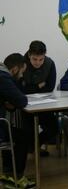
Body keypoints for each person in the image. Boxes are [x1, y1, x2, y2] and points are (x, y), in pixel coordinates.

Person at [0, 53, 35, 188]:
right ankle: (18, 177)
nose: (21, 76)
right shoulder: (3, 77)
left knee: (12, 131)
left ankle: (8, 173)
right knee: (22, 136)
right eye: (21, 73)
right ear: (14, 69)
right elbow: (21, 100)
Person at [20, 40, 58, 156]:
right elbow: (20, 89)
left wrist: (29, 87)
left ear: (45, 55)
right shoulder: (21, 63)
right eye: (34, 59)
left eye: (41, 59)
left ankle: (34, 145)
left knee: (54, 128)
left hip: (44, 104)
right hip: (24, 105)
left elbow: (50, 87)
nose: (38, 63)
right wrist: (38, 85)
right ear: (29, 55)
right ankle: (31, 146)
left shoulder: (50, 63)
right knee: (27, 129)